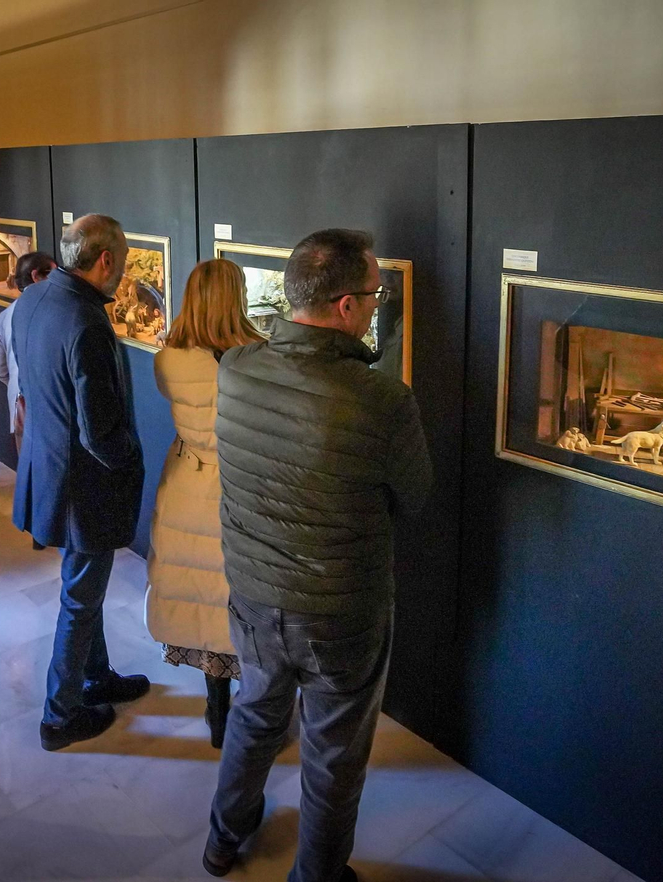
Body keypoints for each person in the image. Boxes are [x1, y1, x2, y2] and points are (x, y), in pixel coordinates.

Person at [205, 229, 432, 882]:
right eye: (374, 295)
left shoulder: (237, 367)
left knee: (254, 713)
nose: (375, 305)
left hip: (252, 593)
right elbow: (416, 496)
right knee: (333, 757)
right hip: (339, 612)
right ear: (345, 307)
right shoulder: (382, 399)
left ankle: (223, 840)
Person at [12, 214, 148, 751]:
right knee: (80, 598)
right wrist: (132, 456)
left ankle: (98, 676)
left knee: (82, 593)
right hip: (82, 488)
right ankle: (59, 714)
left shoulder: (33, 299)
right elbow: (98, 430)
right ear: (107, 260)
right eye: (124, 261)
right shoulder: (87, 322)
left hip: (49, 470)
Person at [143, 259, 265, 749]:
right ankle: (253, 716)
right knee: (242, 601)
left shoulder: (168, 359)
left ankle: (215, 713)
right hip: (244, 484)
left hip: (189, 484)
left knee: (201, 600)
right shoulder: (259, 357)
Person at [0, 251, 56, 452]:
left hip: (19, 409)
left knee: (27, 473)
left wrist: (18, 389)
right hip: (50, 413)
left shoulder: (5, 315)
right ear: (36, 276)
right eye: (53, 275)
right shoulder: (53, 312)